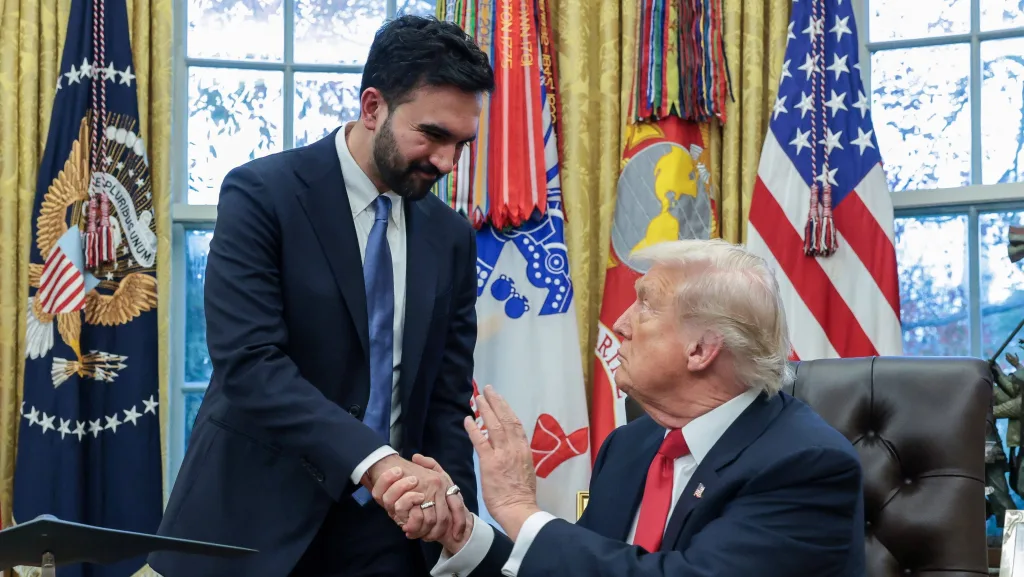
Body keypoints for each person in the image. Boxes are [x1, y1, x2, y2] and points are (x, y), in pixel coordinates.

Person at [148, 15, 495, 577]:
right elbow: (251, 365)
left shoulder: (450, 236)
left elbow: (445, 398)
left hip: (390, 538)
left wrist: (453, 523)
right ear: (373, 106)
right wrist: (376, 463)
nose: (447, 162)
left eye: (461, 143)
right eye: (432, 135)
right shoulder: (262, 195)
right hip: (255, 527)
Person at [375, 239, 867, 577]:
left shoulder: (805, 465)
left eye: (646, 305)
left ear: (701, 350)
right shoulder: (632, 446)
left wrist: (521, 512)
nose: (622, 323)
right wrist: (463, 533)